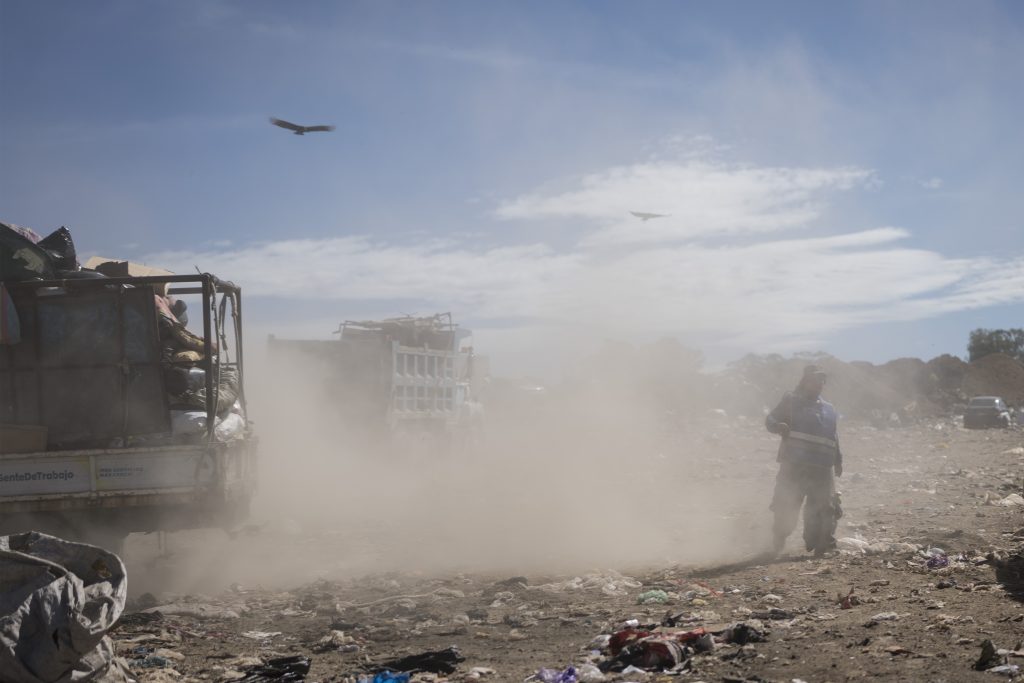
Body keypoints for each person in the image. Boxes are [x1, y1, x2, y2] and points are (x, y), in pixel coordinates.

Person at [765, 365, 843, 557]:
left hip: (822, 467)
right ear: (805, 381)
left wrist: (838, 459)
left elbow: (833, 436)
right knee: (786, 506)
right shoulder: (791, 401)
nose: (819, 384)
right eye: (815, 380)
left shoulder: (829, 409)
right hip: (794, 464)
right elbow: (770, 420)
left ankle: (822, 545)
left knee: (825, 507)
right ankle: (778, 541)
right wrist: (778, 426)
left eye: (822, 381)